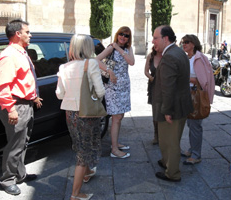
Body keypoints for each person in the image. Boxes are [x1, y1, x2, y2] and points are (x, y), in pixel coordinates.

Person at [0, 19, 43, 195]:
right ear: (18, 34)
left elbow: (24, 80)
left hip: (26, 103)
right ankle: (7, 180)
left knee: (23, 142)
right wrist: (11, 108)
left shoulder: (21, 53)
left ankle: (20, 174)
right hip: (16, 105)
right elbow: (2, 87)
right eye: (27, 32)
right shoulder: (9, 55)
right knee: (15, 144)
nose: (30, 35)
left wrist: (34, 96)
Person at [56, 34, 105, 200]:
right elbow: (100, 91)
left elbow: (59, 94)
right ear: (87, 48)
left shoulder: (64, 67)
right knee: (84, 151)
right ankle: (75, 194)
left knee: (79, 144)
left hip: (70, 113)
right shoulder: (90, 63)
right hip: (87, 113)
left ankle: (88, 172)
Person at [151, 25, 193, 182]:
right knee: (168, 139)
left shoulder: (169, 56)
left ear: (165, 38)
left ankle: (172, 173)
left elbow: (168, 87)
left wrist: (167, 111)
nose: (153, 41)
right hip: (179, 105)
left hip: (172, 108)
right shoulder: (178, 51)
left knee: (171, 141)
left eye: (155, 37)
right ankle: (166, 162)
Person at [96, 26, 135, 159]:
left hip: (124, 86)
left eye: (126, 35)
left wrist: (120, 49)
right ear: (117, 35)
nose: (123, 37)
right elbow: (96, 60)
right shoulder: (111, 47)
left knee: (120, 116)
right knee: (116, 117)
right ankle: (114, 149)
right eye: (121, 34)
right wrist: (109, 70)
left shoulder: (128, 49)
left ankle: (116, 143)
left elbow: (132, 62)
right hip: (113, 87)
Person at [180, 34, 215, 165]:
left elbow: (202, 80)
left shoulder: (199, 58)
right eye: (183, 42)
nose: (184, 44)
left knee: (195, 125)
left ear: (193, 44)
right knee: (190, 123)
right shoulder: (187, 57)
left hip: (196, 95)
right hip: (187, 93)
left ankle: (196, 154)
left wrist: (184, 77)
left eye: (187, 42)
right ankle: (192, 149)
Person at [144, 46, 162, 145]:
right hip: (154, 86)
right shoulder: (150, 56)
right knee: (155, 111)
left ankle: (164, 134)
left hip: (165, 86)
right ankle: (156, 135)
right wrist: (151, 78)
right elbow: (146, 71)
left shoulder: (166, 56)